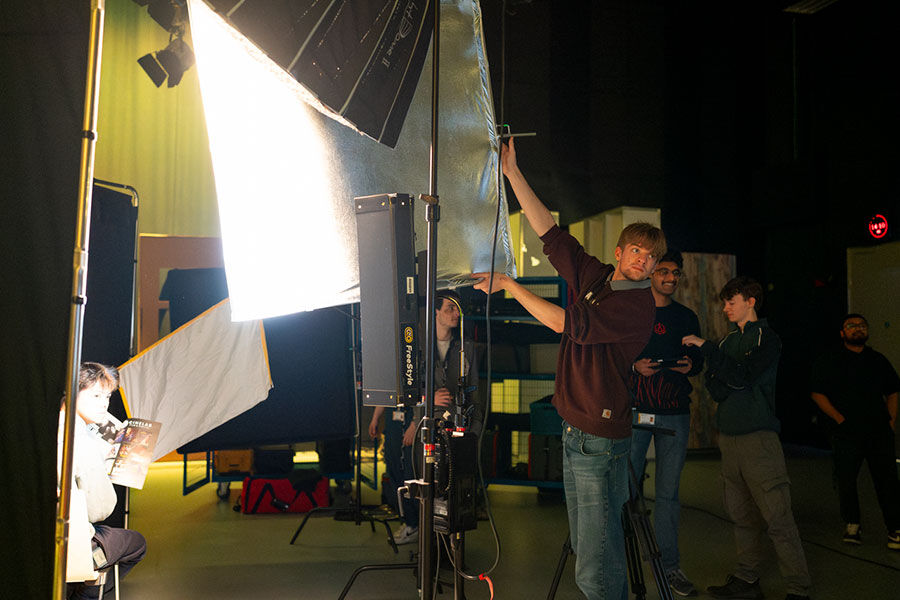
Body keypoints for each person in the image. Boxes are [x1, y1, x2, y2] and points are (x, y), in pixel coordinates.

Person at [473, 138, 665, 600]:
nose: (642, 260)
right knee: (589, 549)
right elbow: (552, 235)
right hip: (575, 432)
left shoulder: (638, 307)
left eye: (651, 257)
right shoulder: (597, 278)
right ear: (619, 253)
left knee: (594, 569)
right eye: (636, 251)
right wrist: (513, 173)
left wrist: (511, 288)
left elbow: (568, 324)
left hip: (600, 441)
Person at [683, 277, 811, 600]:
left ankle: (798, 588)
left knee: (777, 516)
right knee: (740, 513)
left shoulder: (767, 340)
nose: (725, 307)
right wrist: (726, 370)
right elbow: (717, 386)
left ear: (751, 301)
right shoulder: (728, 343)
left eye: (731, 301)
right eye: (725, 302)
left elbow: (741, 377)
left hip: (759, 439)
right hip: (730, 439)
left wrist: (709, 350)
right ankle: (747, 578)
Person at [368, 291, 479, 545]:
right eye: (450, 308)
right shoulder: (415, 347)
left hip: (447, 427)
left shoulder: (464, 349)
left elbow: (473, 395)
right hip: (417, 423)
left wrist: (473, 433)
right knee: (408, 471)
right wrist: (417, 410)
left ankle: (443, 537)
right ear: (436, 312)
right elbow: (400, 387)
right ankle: (416, 526)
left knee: (446, 481)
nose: (455, 314)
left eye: (457, 309)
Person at [629, 249, 703, 597]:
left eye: (676, 272)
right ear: (651, 274)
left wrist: (692, 365)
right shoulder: (634, 311)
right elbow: (615, 354)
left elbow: (698, 356)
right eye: (663, 271)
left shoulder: (687, 316)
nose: (670, 278)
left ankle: (668, 568)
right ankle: (619, 563)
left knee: (668, 495)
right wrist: (634, 367)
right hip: (636, 412)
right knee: (625, 490)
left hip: (674, 412)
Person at [809, 313, 900, 549]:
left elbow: (893, 390)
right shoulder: (830, 360)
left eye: (861, 326)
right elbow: (817, 393)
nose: (857, 329)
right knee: (847, 480)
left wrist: (890, 421)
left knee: (888, 480)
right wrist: (839, 419)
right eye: (851, 326)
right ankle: (852, 524)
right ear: (842, 333)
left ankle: (894, 529)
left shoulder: (878, 360)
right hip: (847, 432)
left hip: (878, 431)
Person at [61, 362, 146, 599]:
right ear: (72, 391)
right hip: (75, 539)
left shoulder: (59, 424)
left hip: (43, 533)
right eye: (96, 395)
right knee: (136, 544)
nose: (103, 404)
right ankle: (85, 590)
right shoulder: (78, 442)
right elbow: (101, 509)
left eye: (107, 396)